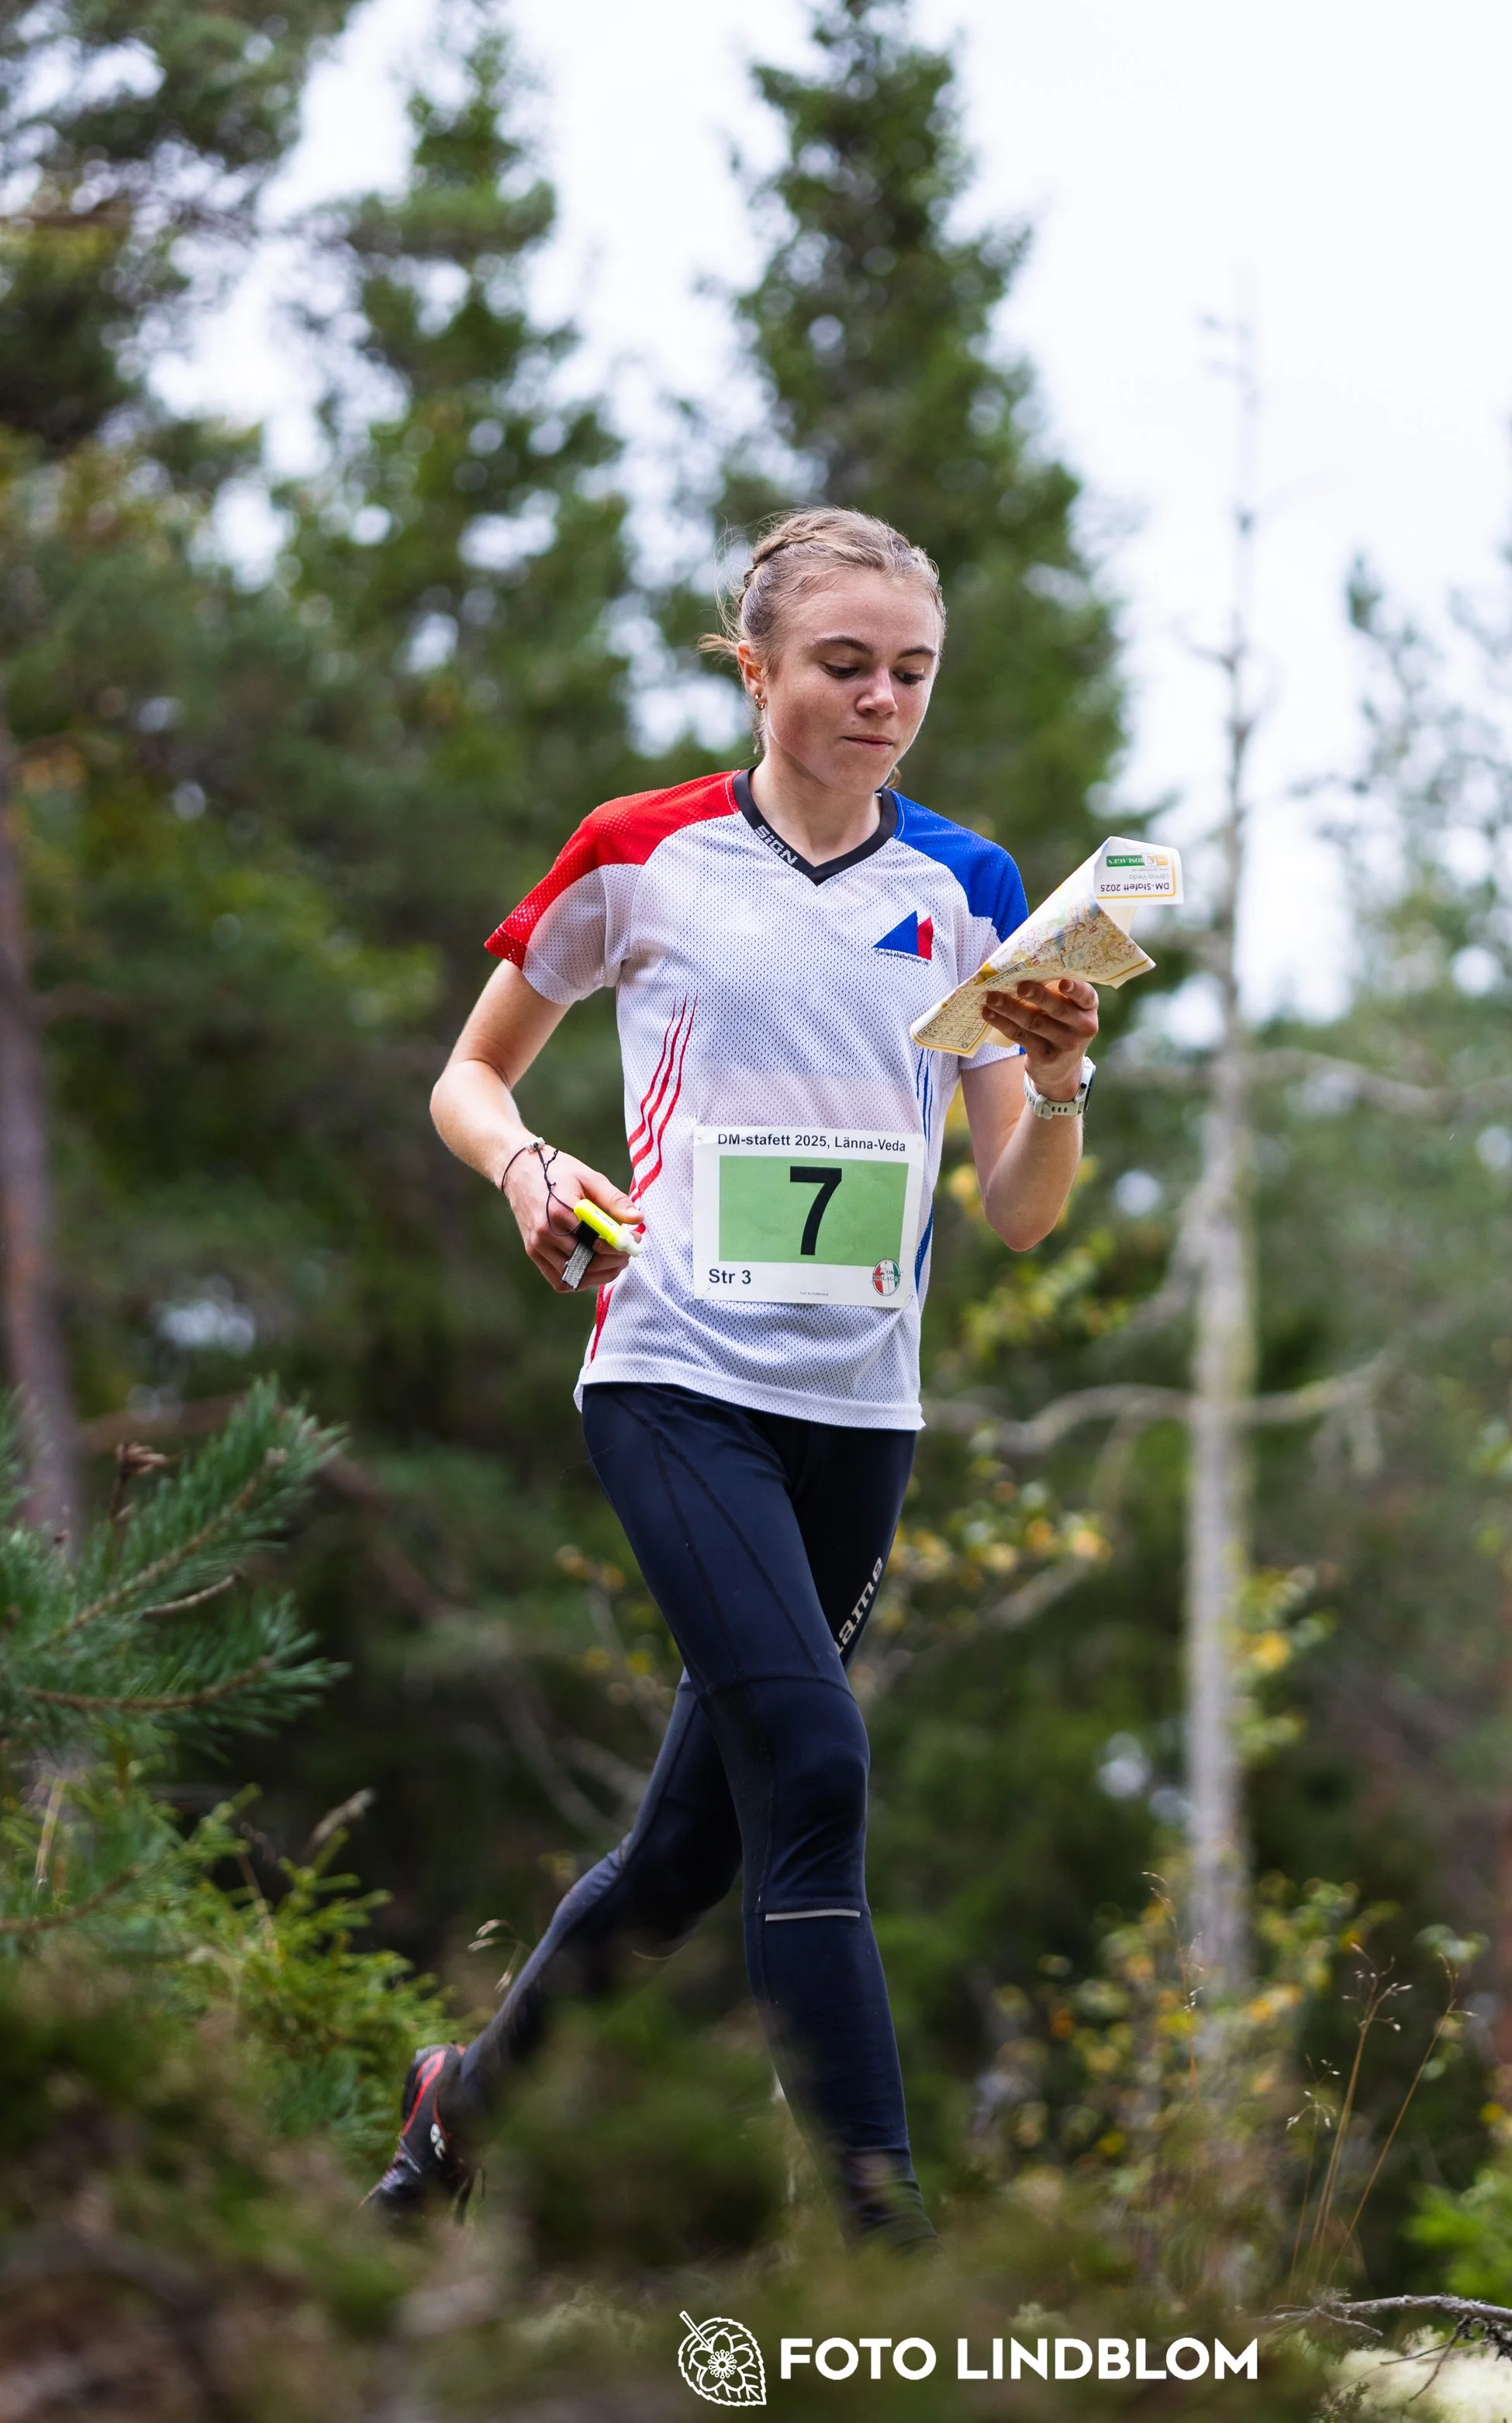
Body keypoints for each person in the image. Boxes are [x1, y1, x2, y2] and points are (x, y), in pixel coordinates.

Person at [368, 507, 1099, 2245]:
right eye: (843, 664)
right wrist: (530, 1170)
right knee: (815, 1761)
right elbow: (468, 1079)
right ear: (755, 665)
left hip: (863, 1411)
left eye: (910, 671)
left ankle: (454, 2113)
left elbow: (1013, 1211)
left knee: (695, 1844)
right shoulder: (643, 852)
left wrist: (1062, 1082)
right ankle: (883, 2236)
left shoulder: (972, 889)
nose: (880, 700)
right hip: (674, 1370)